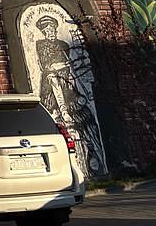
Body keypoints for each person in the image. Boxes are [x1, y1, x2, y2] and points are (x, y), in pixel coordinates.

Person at [35, 15, 107, 176]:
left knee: (84, 114)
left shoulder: (63, 44)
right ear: (43, 32)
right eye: (47, 30)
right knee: (52, 77)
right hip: (52, 85)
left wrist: (73, 72)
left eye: (52, 29)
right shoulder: (41, 45)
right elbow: (48, 66)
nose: (50, 32)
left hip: (68, 83)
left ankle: (93, 158)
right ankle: (63, 110)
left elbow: (72, 69)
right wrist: (63, 65)